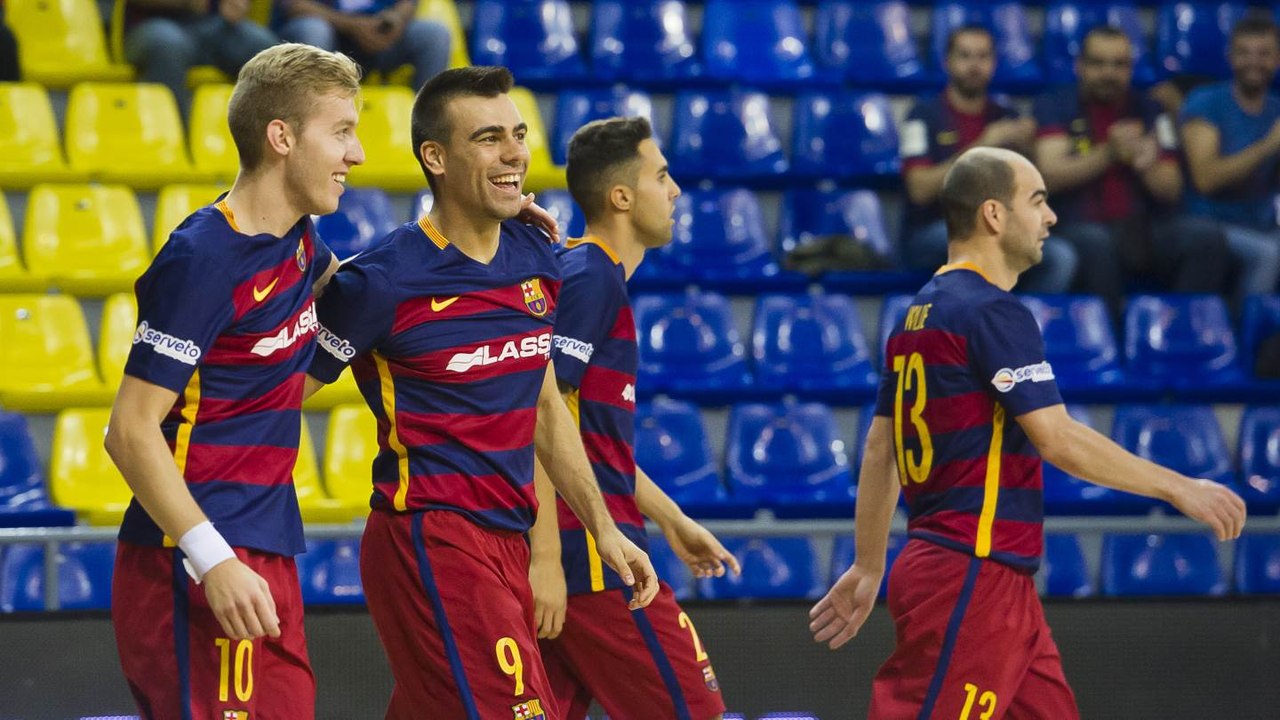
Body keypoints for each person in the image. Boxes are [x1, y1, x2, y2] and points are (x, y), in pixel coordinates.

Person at [809, 146, 1247, 719]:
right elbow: (1057, 438)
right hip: (972, 569)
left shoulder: (917, 314)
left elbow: (878, 448)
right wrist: (1178, 486)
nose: (1051, 217)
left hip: (975, 571)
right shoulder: (991, 310)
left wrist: (870, 563)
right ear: (994, 214)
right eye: (1038, 201)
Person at [304, 65, 657, 719]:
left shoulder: (537, 255)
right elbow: (279, 393)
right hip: (430, 537)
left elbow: (545, 406)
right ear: (436, 158)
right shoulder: (382, 281)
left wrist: (602, 528)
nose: (514, 153)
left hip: (507, 538)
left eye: (517, 135)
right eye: (489, 138)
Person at [104, 43, 363, 718]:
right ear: (282, 138)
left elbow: (364, 296)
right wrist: (211, 559)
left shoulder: (298, 239)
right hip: (193, 557)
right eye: (341, 132)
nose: (357, 154)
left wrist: (490, 227)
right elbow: (128, 431)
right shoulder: (203, 258)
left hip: (264, 543)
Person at [528, 116, 739, 720]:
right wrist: (546, 560)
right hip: (591, 564)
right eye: (662, 176)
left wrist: (672, 520)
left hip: (587, 552)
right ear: (621, 197)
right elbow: (537, 417)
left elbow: (590, 444)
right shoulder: (590, 277)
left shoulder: (590, 275)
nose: (675, 190)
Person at [1033, 26, 1235, 317]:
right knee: (1096, 243)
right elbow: (1049, 176)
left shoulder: (1152, 110)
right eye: (1099, 63)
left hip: (1142, 227)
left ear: (1130, 68)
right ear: (1081, 66)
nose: (1109, 73)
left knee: (1207, 238)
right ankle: (1109, 336)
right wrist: (1109, 153)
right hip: (1077, 223)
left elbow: (1172, 189)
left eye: (1119, 64)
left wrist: (1146, 163)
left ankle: (1185, 329)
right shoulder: (1054, 105)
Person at [900, 24, 1077, 293]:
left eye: (982, 56)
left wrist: (1031, 151)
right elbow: (919, 189)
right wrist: (984, 144)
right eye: (965, 56)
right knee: (990, 242)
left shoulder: (1006, 117)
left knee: (1060, 257)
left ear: (993, 63)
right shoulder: (921, 115)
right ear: (947, 62)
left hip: (999, 226)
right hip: (934, 229)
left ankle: (1020, 318)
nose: (974, 65)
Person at [1182, 13, 1280, 303]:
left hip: (1264, 221)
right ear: (1230, 57)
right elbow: (1206, 180)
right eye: (1244, 53)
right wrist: (1268, 146)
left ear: (1277, 59)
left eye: (1264, 54)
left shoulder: (1276, 108)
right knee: (1268, 253)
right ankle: (1247, 328)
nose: (1254, 62)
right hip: (1211, 223)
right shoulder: (1205, 102)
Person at [124, 0, 277, 118]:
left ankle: (269, 142)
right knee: (166, 44)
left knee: (264, 49)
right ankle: (173, 141)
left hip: (208, 24)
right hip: (147, 26)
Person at [276, 0, 450, 90]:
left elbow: (407, 3)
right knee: (314, 30)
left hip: (379, 34)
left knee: (434, 34)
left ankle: (426, 121)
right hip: (328, 37)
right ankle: (309, 117)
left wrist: (396, 20)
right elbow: (295, 6)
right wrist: (353, 26)